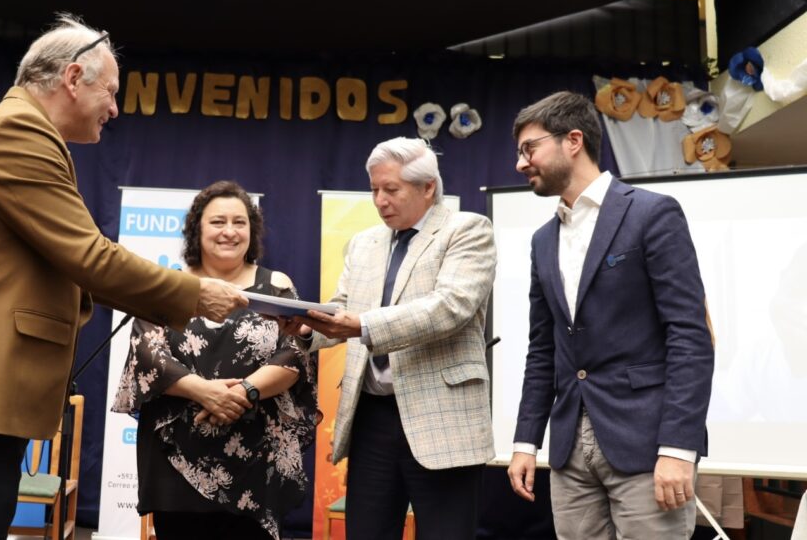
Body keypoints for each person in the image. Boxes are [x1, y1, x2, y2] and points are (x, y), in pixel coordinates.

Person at [0, 15, 247, 540]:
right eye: (111, 91)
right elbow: (90, 258)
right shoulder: (18, 132)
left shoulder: (22, 131)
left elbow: (79, 264)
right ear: (73, 78)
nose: (115, 109)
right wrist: (197, 293)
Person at [506, 91, 714, 539]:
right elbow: (542, 350)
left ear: (573, 140)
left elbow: (689, 337)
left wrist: (679, 447)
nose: (521, 163)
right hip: (569, 453)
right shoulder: (542, 240)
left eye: (530, 148)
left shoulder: (652, 214)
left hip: (646, 445)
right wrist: (526, 442)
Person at [283, 136, 496, 539]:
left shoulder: (467, 229)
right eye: (374, 190)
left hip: (442, 416)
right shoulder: (364, 243)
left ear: (428, 187)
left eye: (391, 189)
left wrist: (362, 325)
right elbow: (342, 306)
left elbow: (450, 307)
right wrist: (307, 327)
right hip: (372, 416)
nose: (380, 200)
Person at [112, 180, 317, 540]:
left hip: (257, 458)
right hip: (175, 457)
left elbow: (294, 356)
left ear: (252, 231)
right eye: (218, 222)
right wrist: (206, 392)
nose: (229, 231)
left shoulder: (278, 286)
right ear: (197, 229)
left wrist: (244, 393)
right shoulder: (168, 285)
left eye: (240, 222)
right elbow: (148, 356)